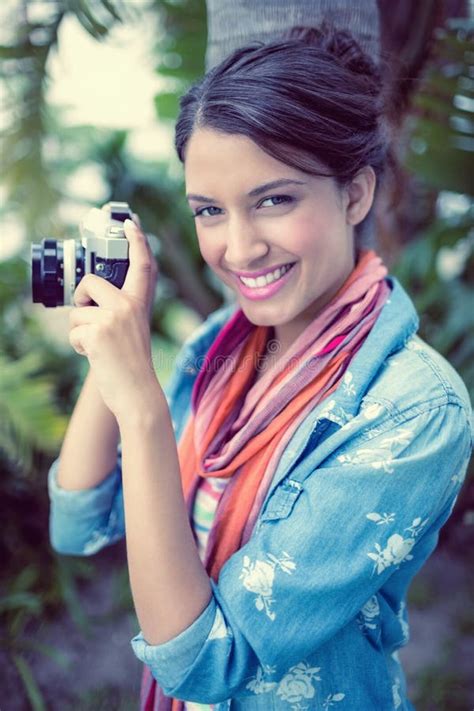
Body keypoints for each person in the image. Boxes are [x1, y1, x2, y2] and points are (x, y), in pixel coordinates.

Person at [47, 22, 472, 711]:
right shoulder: (222, 347)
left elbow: (207, 661)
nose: (239, 249)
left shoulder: (415, 410)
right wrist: (112, 340)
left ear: (356, 194)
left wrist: (146, 412)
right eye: (209, 210)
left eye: (274, 199)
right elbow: (80, 521)